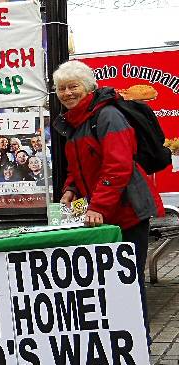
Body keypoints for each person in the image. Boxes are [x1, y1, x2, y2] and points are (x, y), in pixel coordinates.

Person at [52, 59, 164, 347]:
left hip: (128, 210)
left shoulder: (108, 116)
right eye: (62, 89)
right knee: (108, 280)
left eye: (73, 86)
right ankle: (117, 339)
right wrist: (70, 189)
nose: (67, 93)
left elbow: (118, 166)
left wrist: (97, 207)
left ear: (88, 87)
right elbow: (78, 167)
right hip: (106, 211)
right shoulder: (75, 122)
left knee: (129, 278)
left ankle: (140, 342)